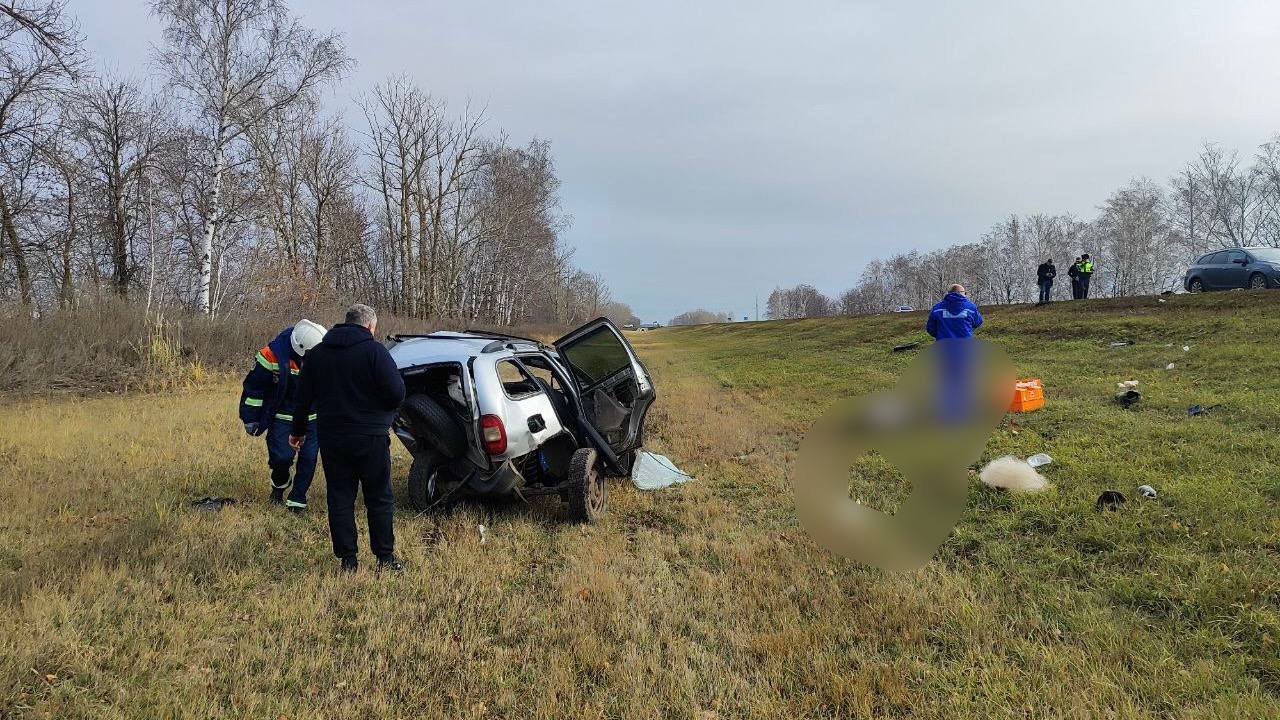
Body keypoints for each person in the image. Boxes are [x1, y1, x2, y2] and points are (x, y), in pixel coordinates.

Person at [291, 304, 406, 573]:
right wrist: (383, 415)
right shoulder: (376, 352)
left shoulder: (317, 354)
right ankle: (385, 559)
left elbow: (302, 399)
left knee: (340, 497)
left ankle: (348, 560)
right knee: (378, 497)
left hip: (332, 438)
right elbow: (397, 393)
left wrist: (297, 432)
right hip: (371, 438)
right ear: (369, 326)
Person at [239, 319, 327, 512]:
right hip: (282, 417)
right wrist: (250, 417)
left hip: (312, 419)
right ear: (301, 348)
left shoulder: (322, 352)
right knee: (281, 458)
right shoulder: (270, 356)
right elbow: (254, 388)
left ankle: (297, 501)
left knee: (309, 459)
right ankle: (279, 485)